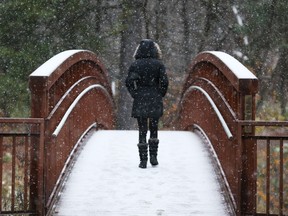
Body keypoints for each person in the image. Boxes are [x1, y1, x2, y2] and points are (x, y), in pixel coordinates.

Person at [125, 39, 169, 168]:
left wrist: (135, 93)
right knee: (154, 128)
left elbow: (128, 82)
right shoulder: (159, 65)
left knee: (142, 129)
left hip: (140, 98)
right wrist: (160, 93)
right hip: (155, 97)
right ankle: (154, 157)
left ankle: (143, 160)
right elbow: (164, 82)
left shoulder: (135, 65)